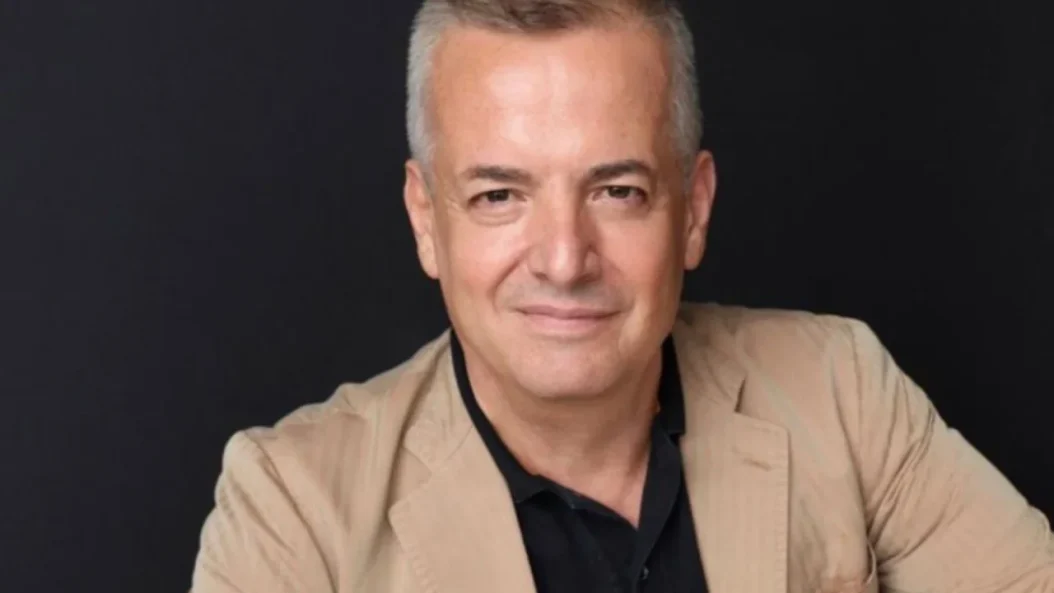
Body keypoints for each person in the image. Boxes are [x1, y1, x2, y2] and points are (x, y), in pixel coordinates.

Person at [189, 0, 1054, 591]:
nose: (565, 258)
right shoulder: (293, 510)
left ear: (693, 209)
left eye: (617, 190)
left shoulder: (841, 390)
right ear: (426, 220)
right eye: (500, 194)